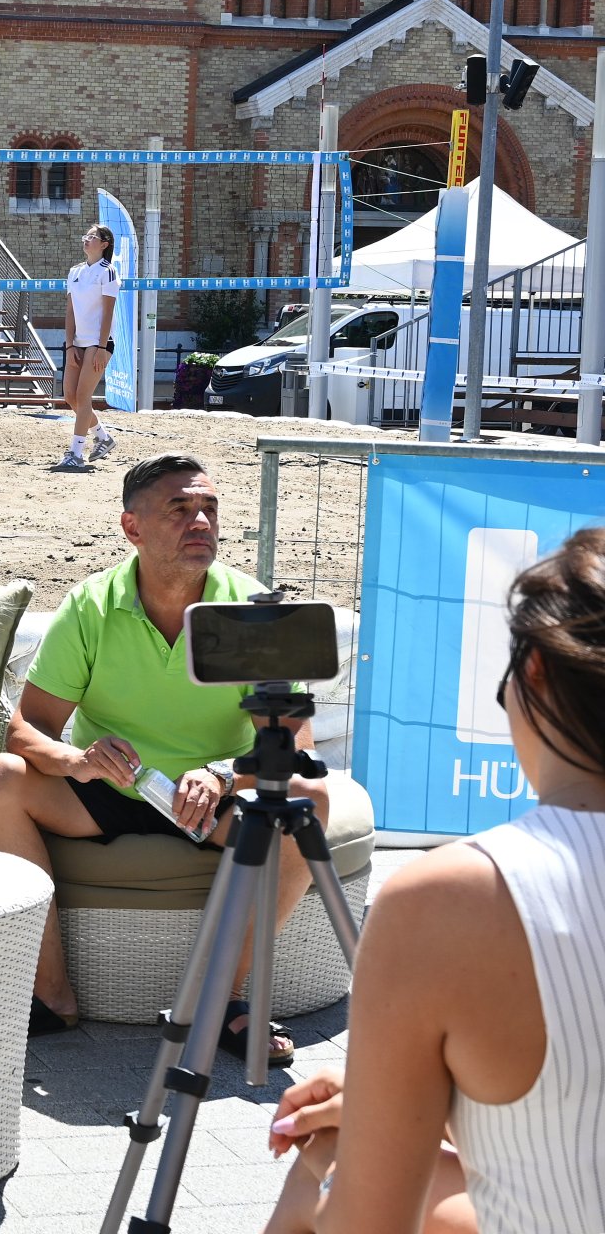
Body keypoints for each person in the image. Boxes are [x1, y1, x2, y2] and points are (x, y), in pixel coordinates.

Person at [266, 529, 605, 1234]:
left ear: (534, 671)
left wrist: (351, 1144)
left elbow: (369, 1223)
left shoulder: (452, 899)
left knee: (320, 1168)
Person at [0, 453, 329, 1059]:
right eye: (180, 509)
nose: (200, 522)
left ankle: (223, 1001)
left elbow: (295, 746)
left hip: (210, 794)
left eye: (209, 509)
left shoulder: (250, 606)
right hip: (109, 789)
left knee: (311, 801)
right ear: (131, 528)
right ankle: (51, 996)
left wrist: (222, 774)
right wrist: (76, 759)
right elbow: (27, 728)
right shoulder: (91, 604)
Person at [54, 225, 120, 473]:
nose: (87, 239)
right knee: (70, 397)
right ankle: (103, 437)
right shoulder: (75, 271)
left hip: (98, 342)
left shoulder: (108, 271)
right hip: (78, 342)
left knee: (83, 397)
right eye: (87, 236)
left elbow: (108, 312)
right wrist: (69, 344)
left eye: (92, 237)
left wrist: (102, 346)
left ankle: (75, 453)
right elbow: (70, 311)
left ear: (104, 244)